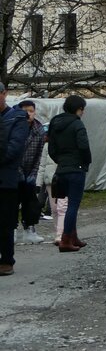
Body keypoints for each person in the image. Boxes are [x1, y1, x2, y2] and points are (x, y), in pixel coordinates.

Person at [47, 95, 90, 253]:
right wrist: (85, 163)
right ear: (77, 109)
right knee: (73, 205)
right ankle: (66, 239)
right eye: (82, 109)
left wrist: (60, 160)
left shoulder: (55, 123)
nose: (83, 112)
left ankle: (73, 236)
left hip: (61, 169)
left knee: (65, 203)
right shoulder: (77, 124)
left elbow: (51, 148)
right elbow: (84, 146)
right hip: (76, 168)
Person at [0, 81, 32, 276]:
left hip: (7, 179)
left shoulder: (17, 118)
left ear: (5, 93)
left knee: (5, 222)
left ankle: (6, 259)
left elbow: (14, 149)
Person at [15, 100, 44, 245]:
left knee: (31, 203)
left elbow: (39, 154)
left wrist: (33, 173)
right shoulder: (13, 126)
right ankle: (12, 231)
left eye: (31, 111)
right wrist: (18, 172)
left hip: (30, 171)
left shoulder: (39, 129)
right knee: (12, 203)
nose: (28, 114)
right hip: (13, 172)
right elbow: (12, 151)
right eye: (25, 110)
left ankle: (30, 230)